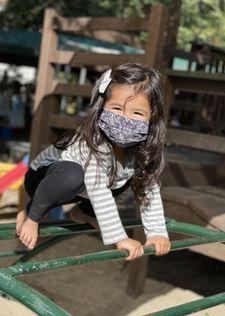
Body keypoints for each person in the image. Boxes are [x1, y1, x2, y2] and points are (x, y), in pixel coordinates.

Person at [16, 63, 171, 260]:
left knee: (131, 175)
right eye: (116, 108)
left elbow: (149, 189)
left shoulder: (141, 150)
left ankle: (83, 212)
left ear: (152, 118)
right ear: (101, 107)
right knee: (73, 175)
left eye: (137, 113)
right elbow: (97, 189)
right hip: (44, 178)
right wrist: (119, 238)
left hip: (84, 188)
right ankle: (32, 213)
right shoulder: (92, 142)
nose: (125, 119)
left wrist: (157, 232)